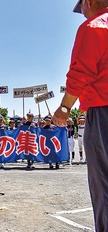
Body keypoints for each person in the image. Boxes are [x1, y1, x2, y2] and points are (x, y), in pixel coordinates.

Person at [52, 1, 108, 230]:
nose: (82, 13)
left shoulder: (94, 27)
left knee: (103, 185)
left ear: (89, 2)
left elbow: (80, 72)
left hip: (103, 111)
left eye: (82, 8)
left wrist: (64, 108)